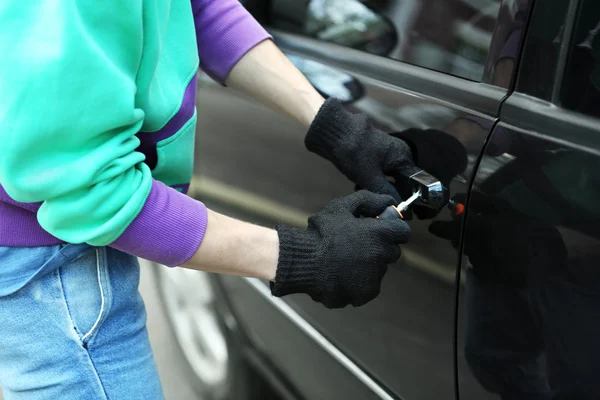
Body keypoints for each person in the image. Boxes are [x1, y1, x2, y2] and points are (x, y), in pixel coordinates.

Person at [0, 1, 418, 399]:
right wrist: (302, 257)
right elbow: (82, 186)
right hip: (47, 268)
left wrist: (337, 129)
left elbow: (197, 6)